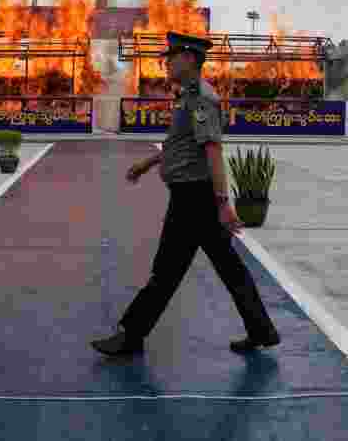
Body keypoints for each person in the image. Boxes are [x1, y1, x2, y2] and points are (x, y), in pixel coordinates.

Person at [91, 31, 281, 357]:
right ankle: (261, 330)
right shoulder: (188, 96)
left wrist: (223, 204)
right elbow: (181, 143)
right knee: (227, 267)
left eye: (172, 56)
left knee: (166, 270)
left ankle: (130, 335)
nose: (166, 61)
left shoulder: (201, 99)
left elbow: (212, 150)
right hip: (194, 197)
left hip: (195, 200)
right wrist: (149, 163)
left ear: (190, 59)